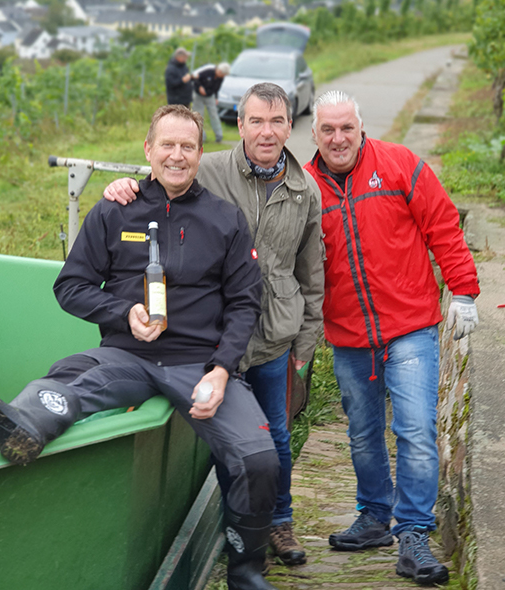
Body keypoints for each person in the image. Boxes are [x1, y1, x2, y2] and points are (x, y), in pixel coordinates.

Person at [0, 105, 282, 590]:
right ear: (148, 150)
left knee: (258, 459)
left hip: (197, 365)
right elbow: (71, 285)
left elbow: (247, 304)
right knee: (73, 376)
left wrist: (222, 370)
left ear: (200, 154)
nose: (177, 155)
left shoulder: (224, 219)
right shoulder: (114, 210)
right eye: (167, 144)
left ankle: (247, 575)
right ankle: (18, 425)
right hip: (128, 356)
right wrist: (122, 314)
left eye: (188, 146)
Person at [103, 83, 324, 567]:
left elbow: (312, 271)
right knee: (228, 439)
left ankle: (277, 524)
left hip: (270, 338)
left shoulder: (305, 190)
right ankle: (238, 528)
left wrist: (306, 343)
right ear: (240, 124)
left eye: (277, 121)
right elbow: (164, 181)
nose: (267, 131)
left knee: (274, 437)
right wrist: (124, 188)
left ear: (291, 125)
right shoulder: (211, 166)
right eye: (256, 121)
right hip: (212, 336)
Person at [305, 90, 480, 586]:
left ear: (361, 129)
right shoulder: (305, 186)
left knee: (416, 431)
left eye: (347, 128)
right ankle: (374, 518)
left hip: (409, 328)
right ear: (314, 134)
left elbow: (443, 225)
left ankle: (414, 533)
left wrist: (463, 291)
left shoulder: (400, 165)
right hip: (349, 335)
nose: (338, 138)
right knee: (362, 436)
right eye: (328, 130)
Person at [192, 62, 230, 143]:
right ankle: (201, 137)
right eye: (223, 74)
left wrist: (216, 97)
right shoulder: (208, 71)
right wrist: (199, 87)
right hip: (198, 96)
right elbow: (196, 79)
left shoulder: (221, 78)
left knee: (214, 115)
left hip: (210, 96)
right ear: (219, 71)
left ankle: (219, 135)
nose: (223, 76)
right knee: (198, 115)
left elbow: (217, 88)